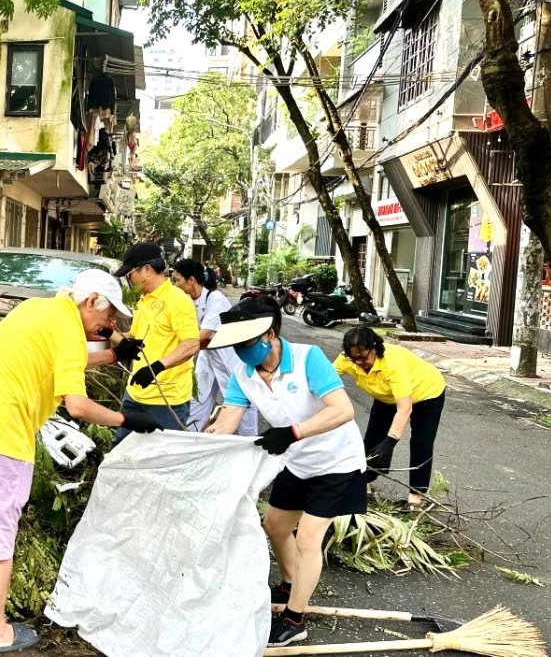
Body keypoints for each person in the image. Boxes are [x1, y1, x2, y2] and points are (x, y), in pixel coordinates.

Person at [0, 270, 160, 655]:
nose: (110, 325)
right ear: (92, 300)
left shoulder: (38, 309)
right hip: (1, 436)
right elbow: (77, 406)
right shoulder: (67, 329)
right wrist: (128, 419)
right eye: (109, 317)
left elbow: (62, 361)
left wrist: (114, 353)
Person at [204, 298, 366, 648]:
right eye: (235, 346)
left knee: (308, 538)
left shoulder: (309, 359)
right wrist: (196, 445)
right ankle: (293, 583)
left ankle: (294, 620)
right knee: (275, 526)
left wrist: (292, 432)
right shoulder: (242, 375)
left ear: (270, 335)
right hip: (297, 462)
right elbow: (228, 422)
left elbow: (343, 411)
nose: (240, 352)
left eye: (245, 344)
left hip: (337, 462)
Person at [334, 327, 446, 507]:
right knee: (372, 439)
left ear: (375, 347)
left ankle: (416, 498)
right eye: (354, 358)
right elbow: (325, 382)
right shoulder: (347, 360)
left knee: (421, 443)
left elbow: (405, 408)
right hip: (386, 397)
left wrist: (390, 441)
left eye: (362, 356)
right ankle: (365, 485)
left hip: (426, 393)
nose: (358, 362)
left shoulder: (392, 363)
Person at [111, 242, 200, 443]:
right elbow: (135, 340)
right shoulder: (144, 300)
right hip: (135, 393)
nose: (129, 280)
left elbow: (191, 344)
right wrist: (107, 331)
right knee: (122, 450)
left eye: (130, 274)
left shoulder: (177, 299)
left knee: (160, 459)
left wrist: (157, 367)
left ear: (147, 270)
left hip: (167, 398)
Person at [173, 259, 259, 435]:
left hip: (228, 357)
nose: (175, 284)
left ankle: (251, 442)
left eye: (177, 279)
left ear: (191, 280)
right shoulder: (186, 300)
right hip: (208, 355)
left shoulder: (216, 299)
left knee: (240, 401)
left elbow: (203, 335)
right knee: (198, 397)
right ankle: (188, 438)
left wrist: (177, 349)